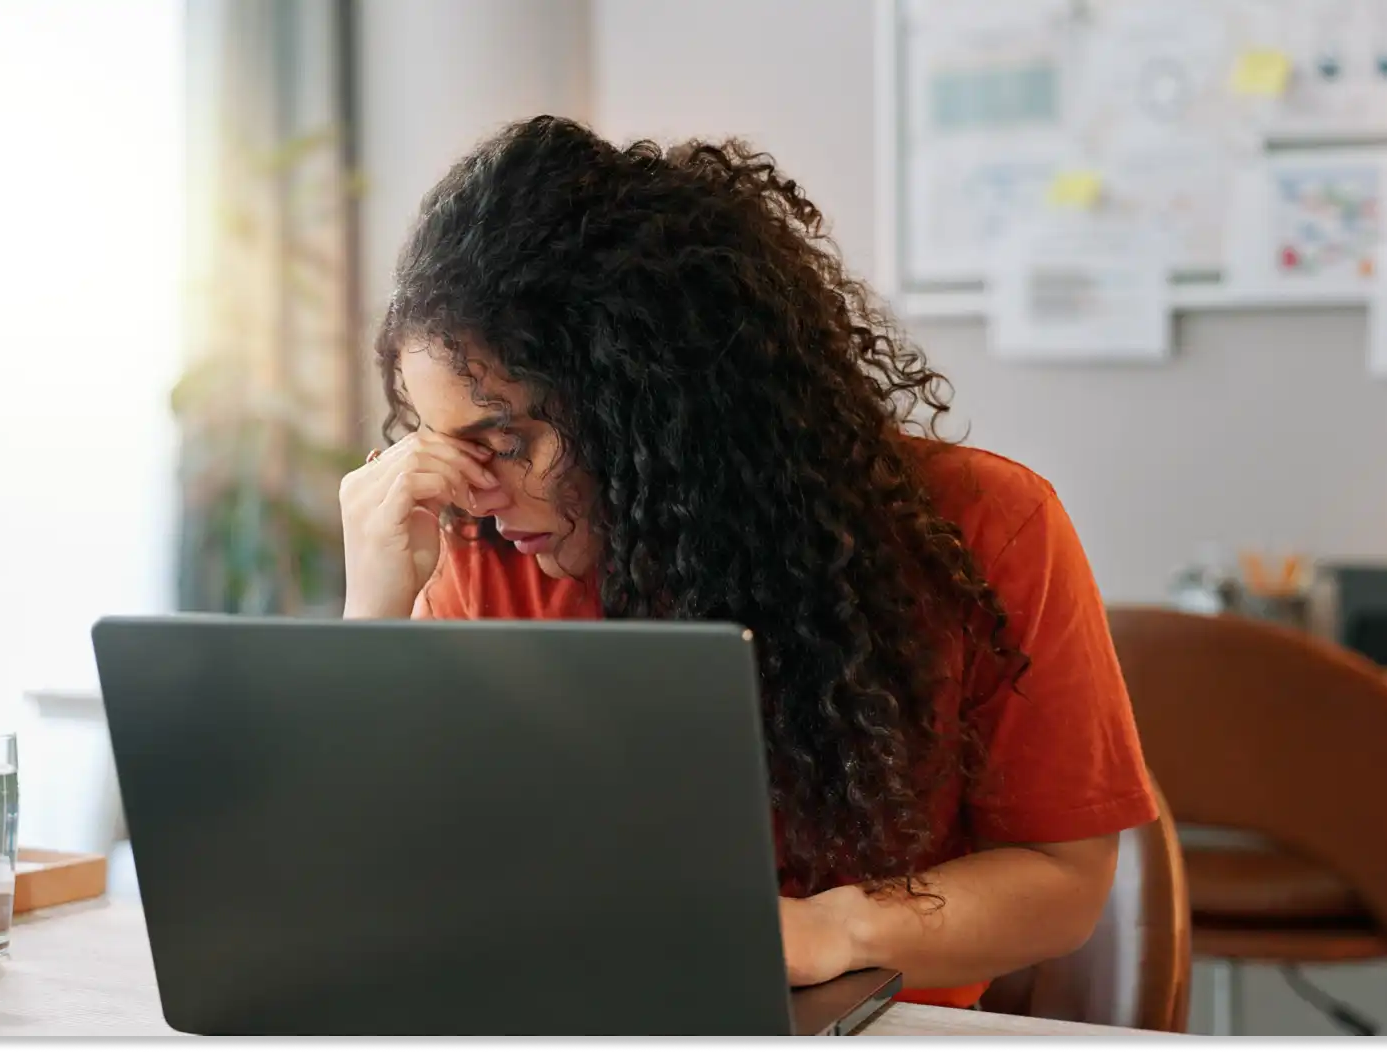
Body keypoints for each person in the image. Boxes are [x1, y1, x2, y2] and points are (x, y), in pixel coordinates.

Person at [338, 116, 1157, 1010]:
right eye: (442, 446)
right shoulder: (476, 557)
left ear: (651, 405)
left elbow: (1063, 879)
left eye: (506, 438)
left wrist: (834, 929)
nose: (476, 493)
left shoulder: (983, 529)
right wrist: (373, 614)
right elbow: (379, 889)